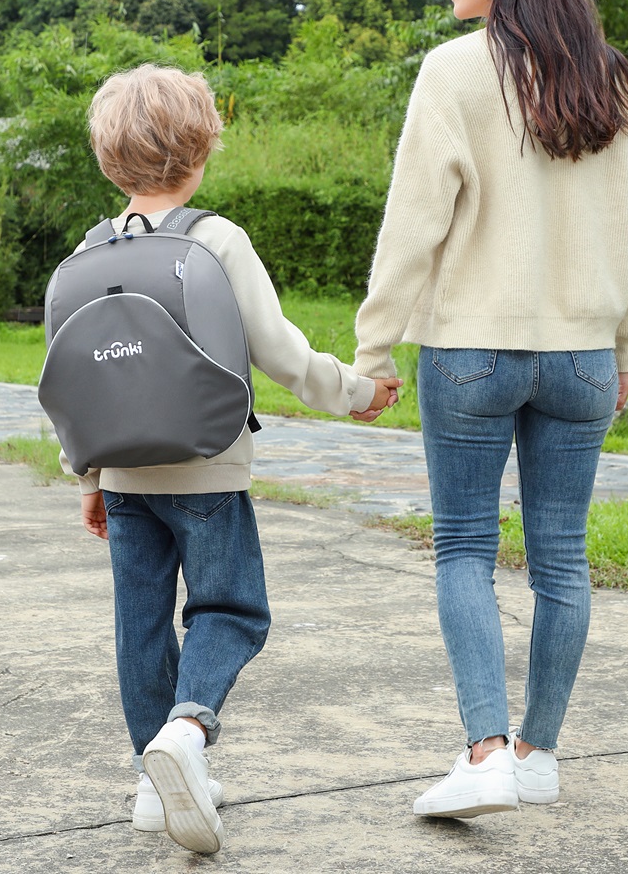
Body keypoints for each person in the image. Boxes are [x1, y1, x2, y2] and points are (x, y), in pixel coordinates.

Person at [352, 0, 628, 819]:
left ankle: (484, 753)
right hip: (580, 358)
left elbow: (414, 226)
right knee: (561, 558)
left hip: (471, 355)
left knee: (464, 551)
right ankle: (539, 753)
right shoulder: (611, 79)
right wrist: (625, 350)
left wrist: (375, 349)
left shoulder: (454, 73)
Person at [74, 64, 401, 854]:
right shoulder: (216, 241)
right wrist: (358, 392)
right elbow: (281, 353)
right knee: (231, 609)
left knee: (139, 624)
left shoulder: (89, 251)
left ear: (108, 160)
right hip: (208, 469)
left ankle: (155, 785)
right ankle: (187, 733)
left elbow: (78, 375)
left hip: (121, 474)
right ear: (200, 153)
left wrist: (86, 474)